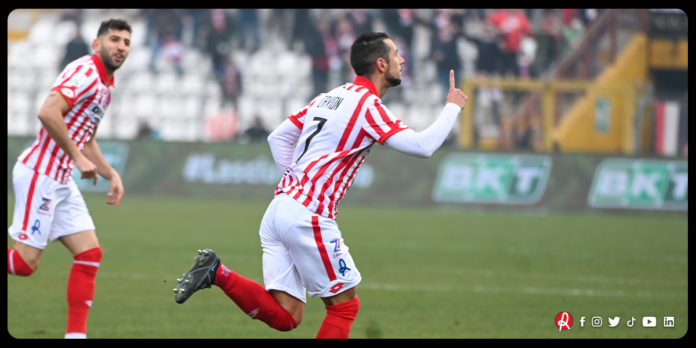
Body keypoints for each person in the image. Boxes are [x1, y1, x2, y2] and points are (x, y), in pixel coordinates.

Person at [172, 31, 468, 339]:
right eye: (396, 54)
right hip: (306, 214)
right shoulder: (367, 105)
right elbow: (422, 146)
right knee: (344, 307)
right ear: (381, 64)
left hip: (279, 210)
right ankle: (217, 273)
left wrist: (294, 181)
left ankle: (217, 273)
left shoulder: (329, 96)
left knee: (287, 316)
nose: (402, 59)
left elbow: (278, 137)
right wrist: (452, 107)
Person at [7, 19, 129, 339]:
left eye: (126, 42)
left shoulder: (106, 88)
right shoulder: (86, 72)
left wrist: (110, 172)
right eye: (114, 39)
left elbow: (86, 137)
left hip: (60, 178)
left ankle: (76, 337)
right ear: (97, 44)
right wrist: (77, 157)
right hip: (41, 171)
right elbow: (48, 112)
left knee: (89, 253)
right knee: (23, 264)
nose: (121, 46)